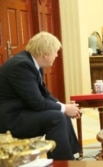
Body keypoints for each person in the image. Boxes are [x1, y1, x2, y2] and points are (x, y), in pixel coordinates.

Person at [0, 31, 82, 160]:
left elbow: (45, 95)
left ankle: (69, 159)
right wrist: (65, 108)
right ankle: (62, 163)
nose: (56, 55)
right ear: (45, 54)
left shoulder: (33, 63)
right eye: (55, 52)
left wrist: (64, 106)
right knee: (57, 117)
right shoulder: (22, 66)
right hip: (10, 120)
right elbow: (37, 103)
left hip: (22, 112)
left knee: (61, 114)